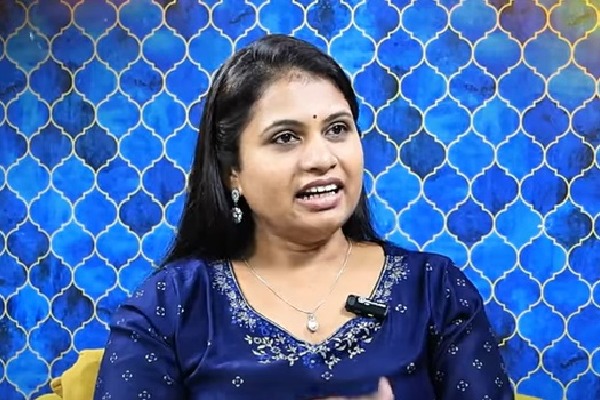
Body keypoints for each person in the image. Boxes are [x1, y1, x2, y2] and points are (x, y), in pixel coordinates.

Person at [93, 34, 514, 400]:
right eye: (286, 137)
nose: (321, 158)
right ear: (231, 171)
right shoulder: (171, 306)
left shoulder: (434, 290)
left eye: (337, 129)